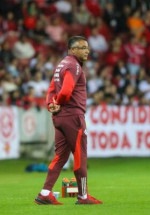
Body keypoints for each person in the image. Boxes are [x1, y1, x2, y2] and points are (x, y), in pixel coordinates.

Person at [34, 36, 102, 205]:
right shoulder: (73, 66)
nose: (86, 50)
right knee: (80, 156)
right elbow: (66, 91)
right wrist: (60, 102)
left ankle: (45, 193)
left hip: (60, 118)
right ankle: (83, 196)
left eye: (87, 47)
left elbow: (51, 89)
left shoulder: (62, 65)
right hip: (73, 116)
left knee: (61, 156)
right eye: (82, 47)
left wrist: (52, 104)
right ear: (72, 50)